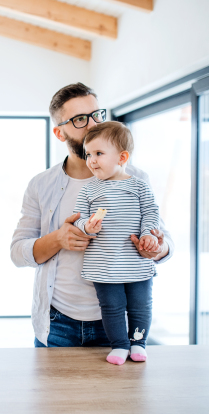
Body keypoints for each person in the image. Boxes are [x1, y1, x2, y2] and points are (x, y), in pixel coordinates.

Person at [10, 83, 174, 349]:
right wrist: (58, 239)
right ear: (59, 133)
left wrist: (155, 247)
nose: (93, 124)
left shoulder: (136, 178)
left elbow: (166, 243)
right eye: (79, 120)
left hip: (120, 321)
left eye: (97, 114)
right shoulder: (41, 185)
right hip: (57, 323)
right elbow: (17, 253)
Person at [73, 121, 159, 365]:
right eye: (88, 154)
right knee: (111, 307)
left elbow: (151, 214)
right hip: (103, 264)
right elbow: (78, 219)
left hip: (136, 262)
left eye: (99, 154)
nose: (91, 160)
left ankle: (138, 343)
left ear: (122, 157)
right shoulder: (89, 190)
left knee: (140, 307)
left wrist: (149, 235)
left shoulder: (139, 186)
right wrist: (86, 227)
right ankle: (120, 345)